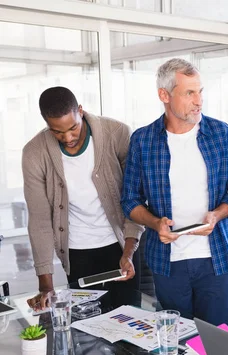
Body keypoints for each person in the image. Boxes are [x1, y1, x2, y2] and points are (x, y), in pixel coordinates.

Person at [121, 58, 228, 329]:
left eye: (200, 91)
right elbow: (130, 200)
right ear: (164, 95)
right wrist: (156, 223)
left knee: (220, 341)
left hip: (216, 257)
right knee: (176, 342)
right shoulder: (143, 141)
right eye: (189, 93)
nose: (198, 100)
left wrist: (218, 213)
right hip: (168, 261)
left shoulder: (220, 134)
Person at [23, 87, 144, 311]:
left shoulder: (116, 133)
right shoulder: (34, 153)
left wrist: (129, 251)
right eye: (57, 132)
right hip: (78, 254)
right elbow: (39, 221)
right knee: (86, 329)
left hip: (122, 245)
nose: (67, 138)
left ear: (80, 110)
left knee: (129, 321)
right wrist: (45, 285)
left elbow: (134, 197)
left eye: (73, 128)